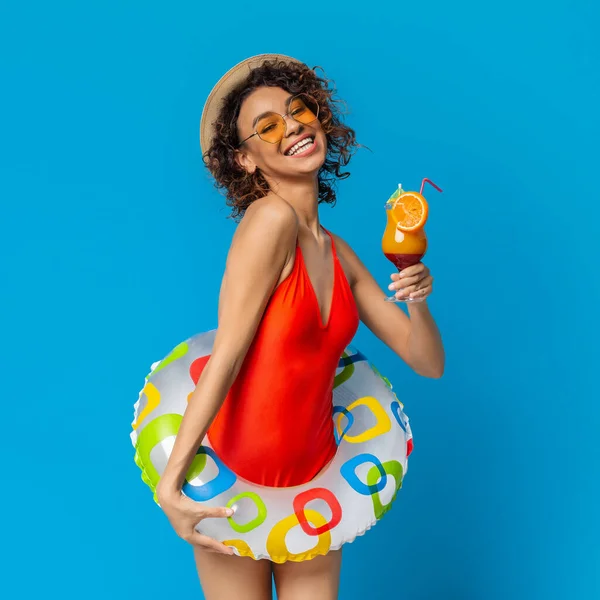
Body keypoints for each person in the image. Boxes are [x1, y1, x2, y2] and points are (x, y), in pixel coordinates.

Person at [155, 53, 445, 600]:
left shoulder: (340, 253)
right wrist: (172, 485)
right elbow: (229, 355)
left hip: (313, 482)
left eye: (297, 110)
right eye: (267, 126)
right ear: (244, 160)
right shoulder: (269, 220)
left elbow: (427, 363)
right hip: (232, 482)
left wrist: (418, 294)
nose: (291, 127)